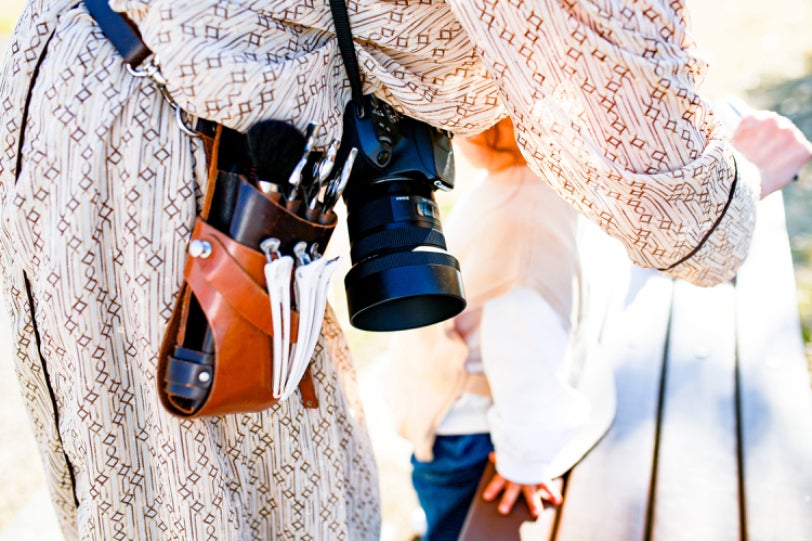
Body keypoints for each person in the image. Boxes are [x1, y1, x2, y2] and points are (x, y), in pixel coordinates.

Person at [1, 1, 810, 540]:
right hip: (154, 136)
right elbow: (670, 201)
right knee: (218, 505)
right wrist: (738, 179)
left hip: (209, 141)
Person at [383, 117, 618, 540]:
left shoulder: (523, 226)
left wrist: (522, 462)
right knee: (443, 512)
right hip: (463, 419)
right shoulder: (533, 186)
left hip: (476, 437)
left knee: (458, 524)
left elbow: (525, 358)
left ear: (488, 131)